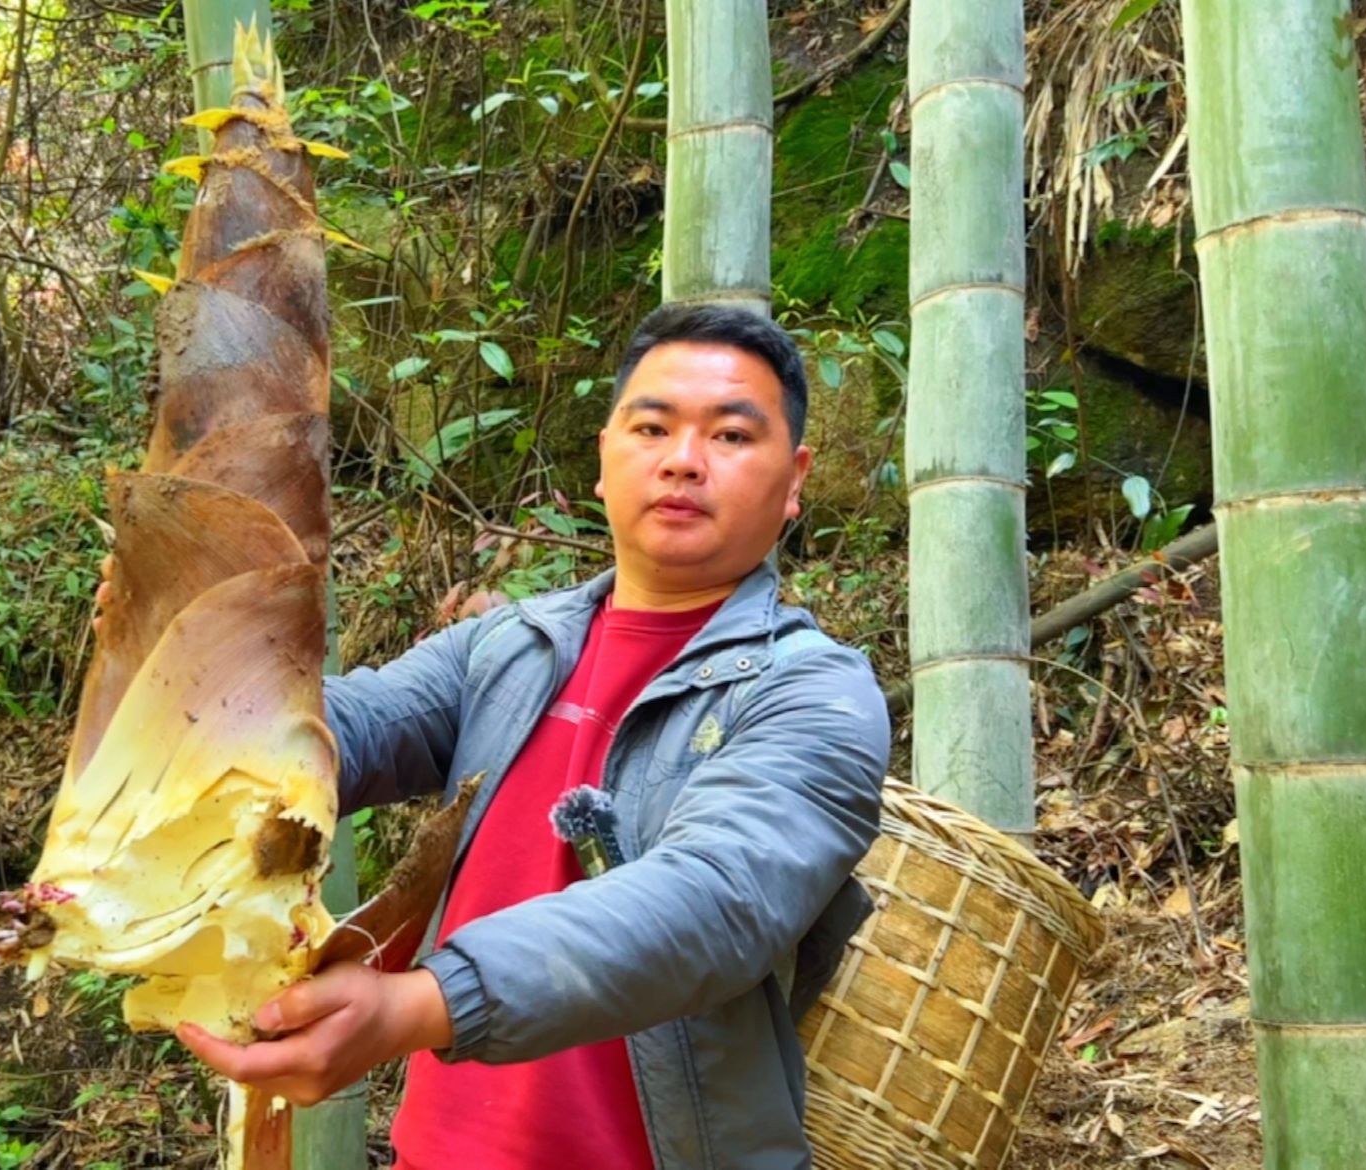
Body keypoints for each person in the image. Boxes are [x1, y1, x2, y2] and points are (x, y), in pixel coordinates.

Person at [102, 302, 891, 1168]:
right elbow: (341, 731)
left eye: (733, 437)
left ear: (795, 478)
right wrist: (182, 659)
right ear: (604, 457)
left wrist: (423, 1004)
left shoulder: (815, 691)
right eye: (652, 426)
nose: (683, 461)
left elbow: (714, 900)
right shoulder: (511, 645)